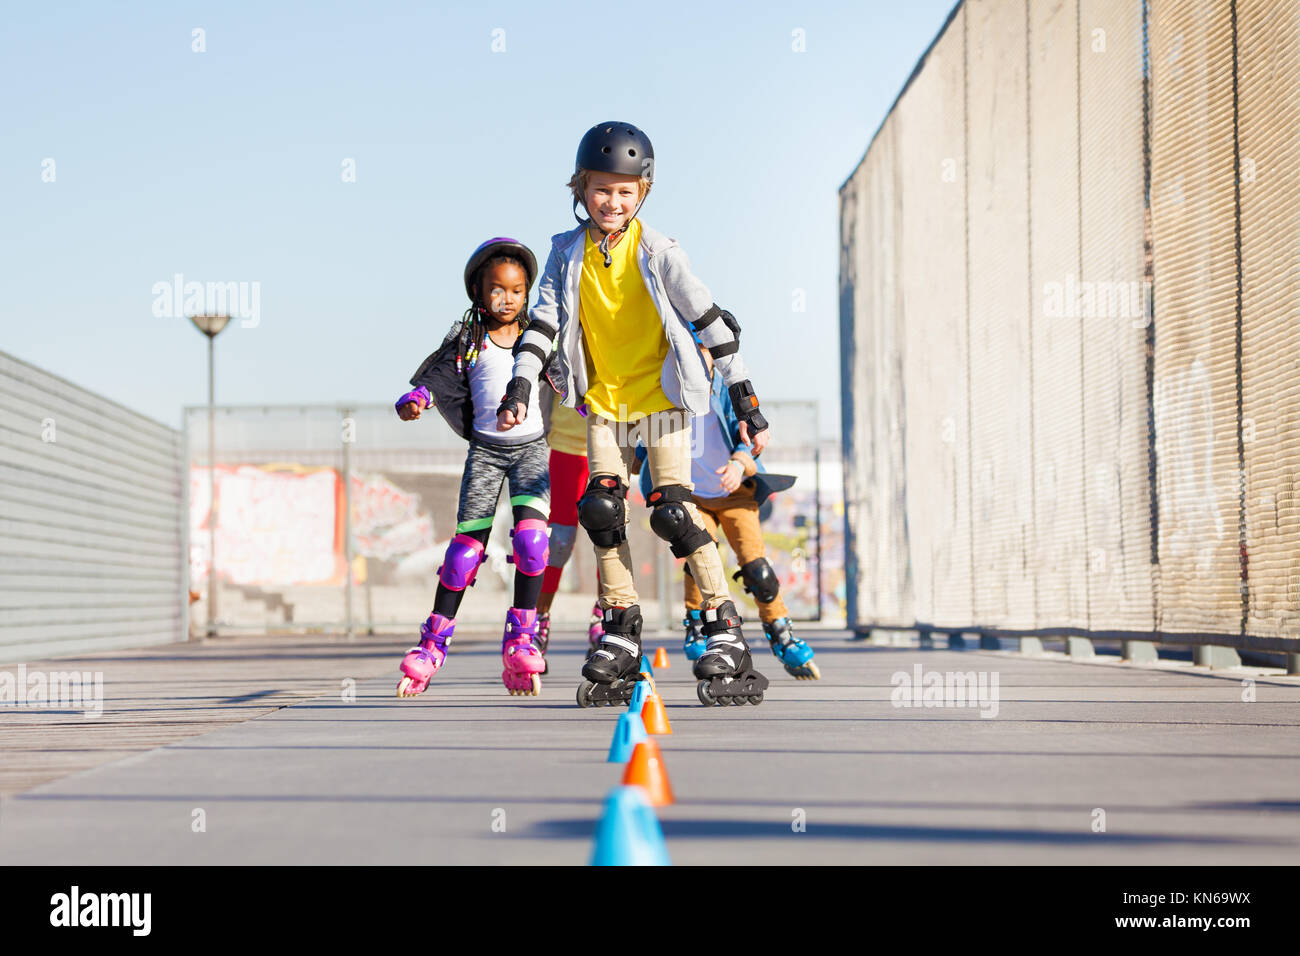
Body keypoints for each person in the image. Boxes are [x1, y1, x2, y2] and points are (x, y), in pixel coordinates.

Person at [495, 121, 774, 707]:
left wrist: (745, 397)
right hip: (604, 402)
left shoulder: (659, 251)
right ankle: (620, 626)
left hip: (662, 398)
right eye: (601, 190)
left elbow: (709, 320)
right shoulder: (565, 253)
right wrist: (520, 387)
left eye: (625, 191)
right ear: (581, 189)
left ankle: (723, 622)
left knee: (672, 511)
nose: (612, 202)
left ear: (642, 192)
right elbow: (542, 324)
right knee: (599, 509)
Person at [393, 237, 552, 697]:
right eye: (497, 289)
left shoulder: (536, 336)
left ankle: (522, 638)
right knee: (464, 553)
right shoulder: (469, 339)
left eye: (517, 290)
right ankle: (431, 644)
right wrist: (416, 400)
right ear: (479, 293)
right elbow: (438, 378)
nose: (508, 298)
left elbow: (569, 375)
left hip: (531, 451)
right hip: (486, 452)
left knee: (532, 542)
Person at [638, 354, 820, 679]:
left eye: (702, 355)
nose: (692, 364)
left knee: (757, 568)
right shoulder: (664, 392)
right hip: (692, 494)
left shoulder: (726, 390)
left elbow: (751, 439)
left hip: (735, 494)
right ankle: (696, 623)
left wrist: (739, 463)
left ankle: (780, 632)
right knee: (698, 554)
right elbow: (643, 442)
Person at [534, 392, 604, 663]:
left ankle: (605, 618)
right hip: (565, 446)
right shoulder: (557, 345)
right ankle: (538, 620)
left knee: (608, 539)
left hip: (609, 443)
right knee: (558, 540)